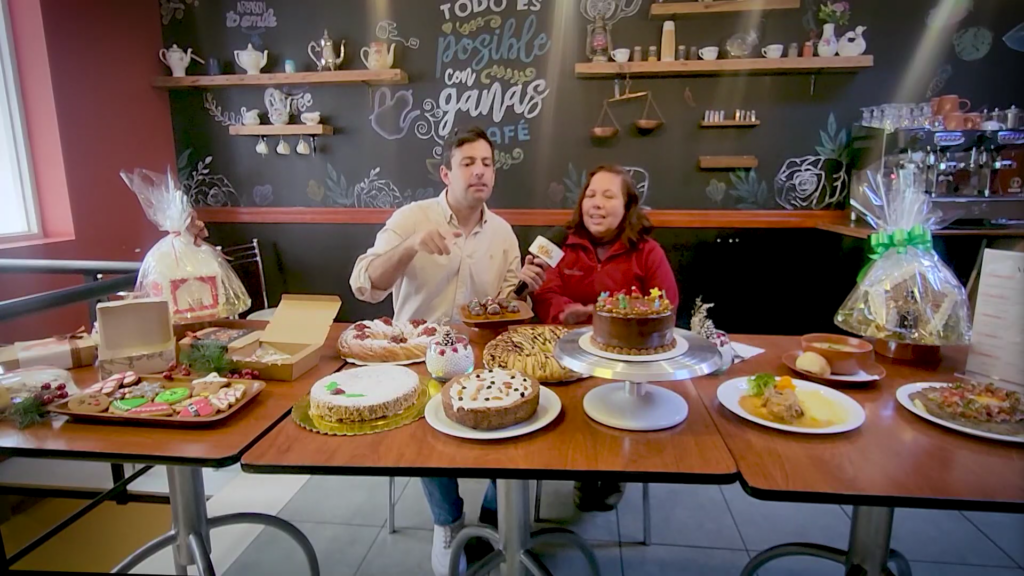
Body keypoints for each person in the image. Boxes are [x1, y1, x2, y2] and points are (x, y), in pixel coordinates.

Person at [349, 127, 547, 576]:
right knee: (424, 428)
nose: (479, 172)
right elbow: (365, 283)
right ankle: (448, 521)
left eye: (487, 164)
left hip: (482, 357)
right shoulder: (411, 218)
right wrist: (412, 245)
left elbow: (505, 307)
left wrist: (524, 291)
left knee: (519, 423)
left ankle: (494, 519)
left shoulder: (503, 233)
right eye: (467, 163)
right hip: (417, 356)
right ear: (446, 173)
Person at [532, 164, 679, 511]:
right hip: (566, 354)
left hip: (626, 360)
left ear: (627, 206)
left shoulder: (648, 252)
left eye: (609, 196)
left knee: (618, 409)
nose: (596, 203)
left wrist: (602, 317)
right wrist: (565, 312)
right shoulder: (558, 243)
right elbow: (544, 293)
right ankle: (580, 467)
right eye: (591, 195)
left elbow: (666, 304)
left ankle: (615, 468)